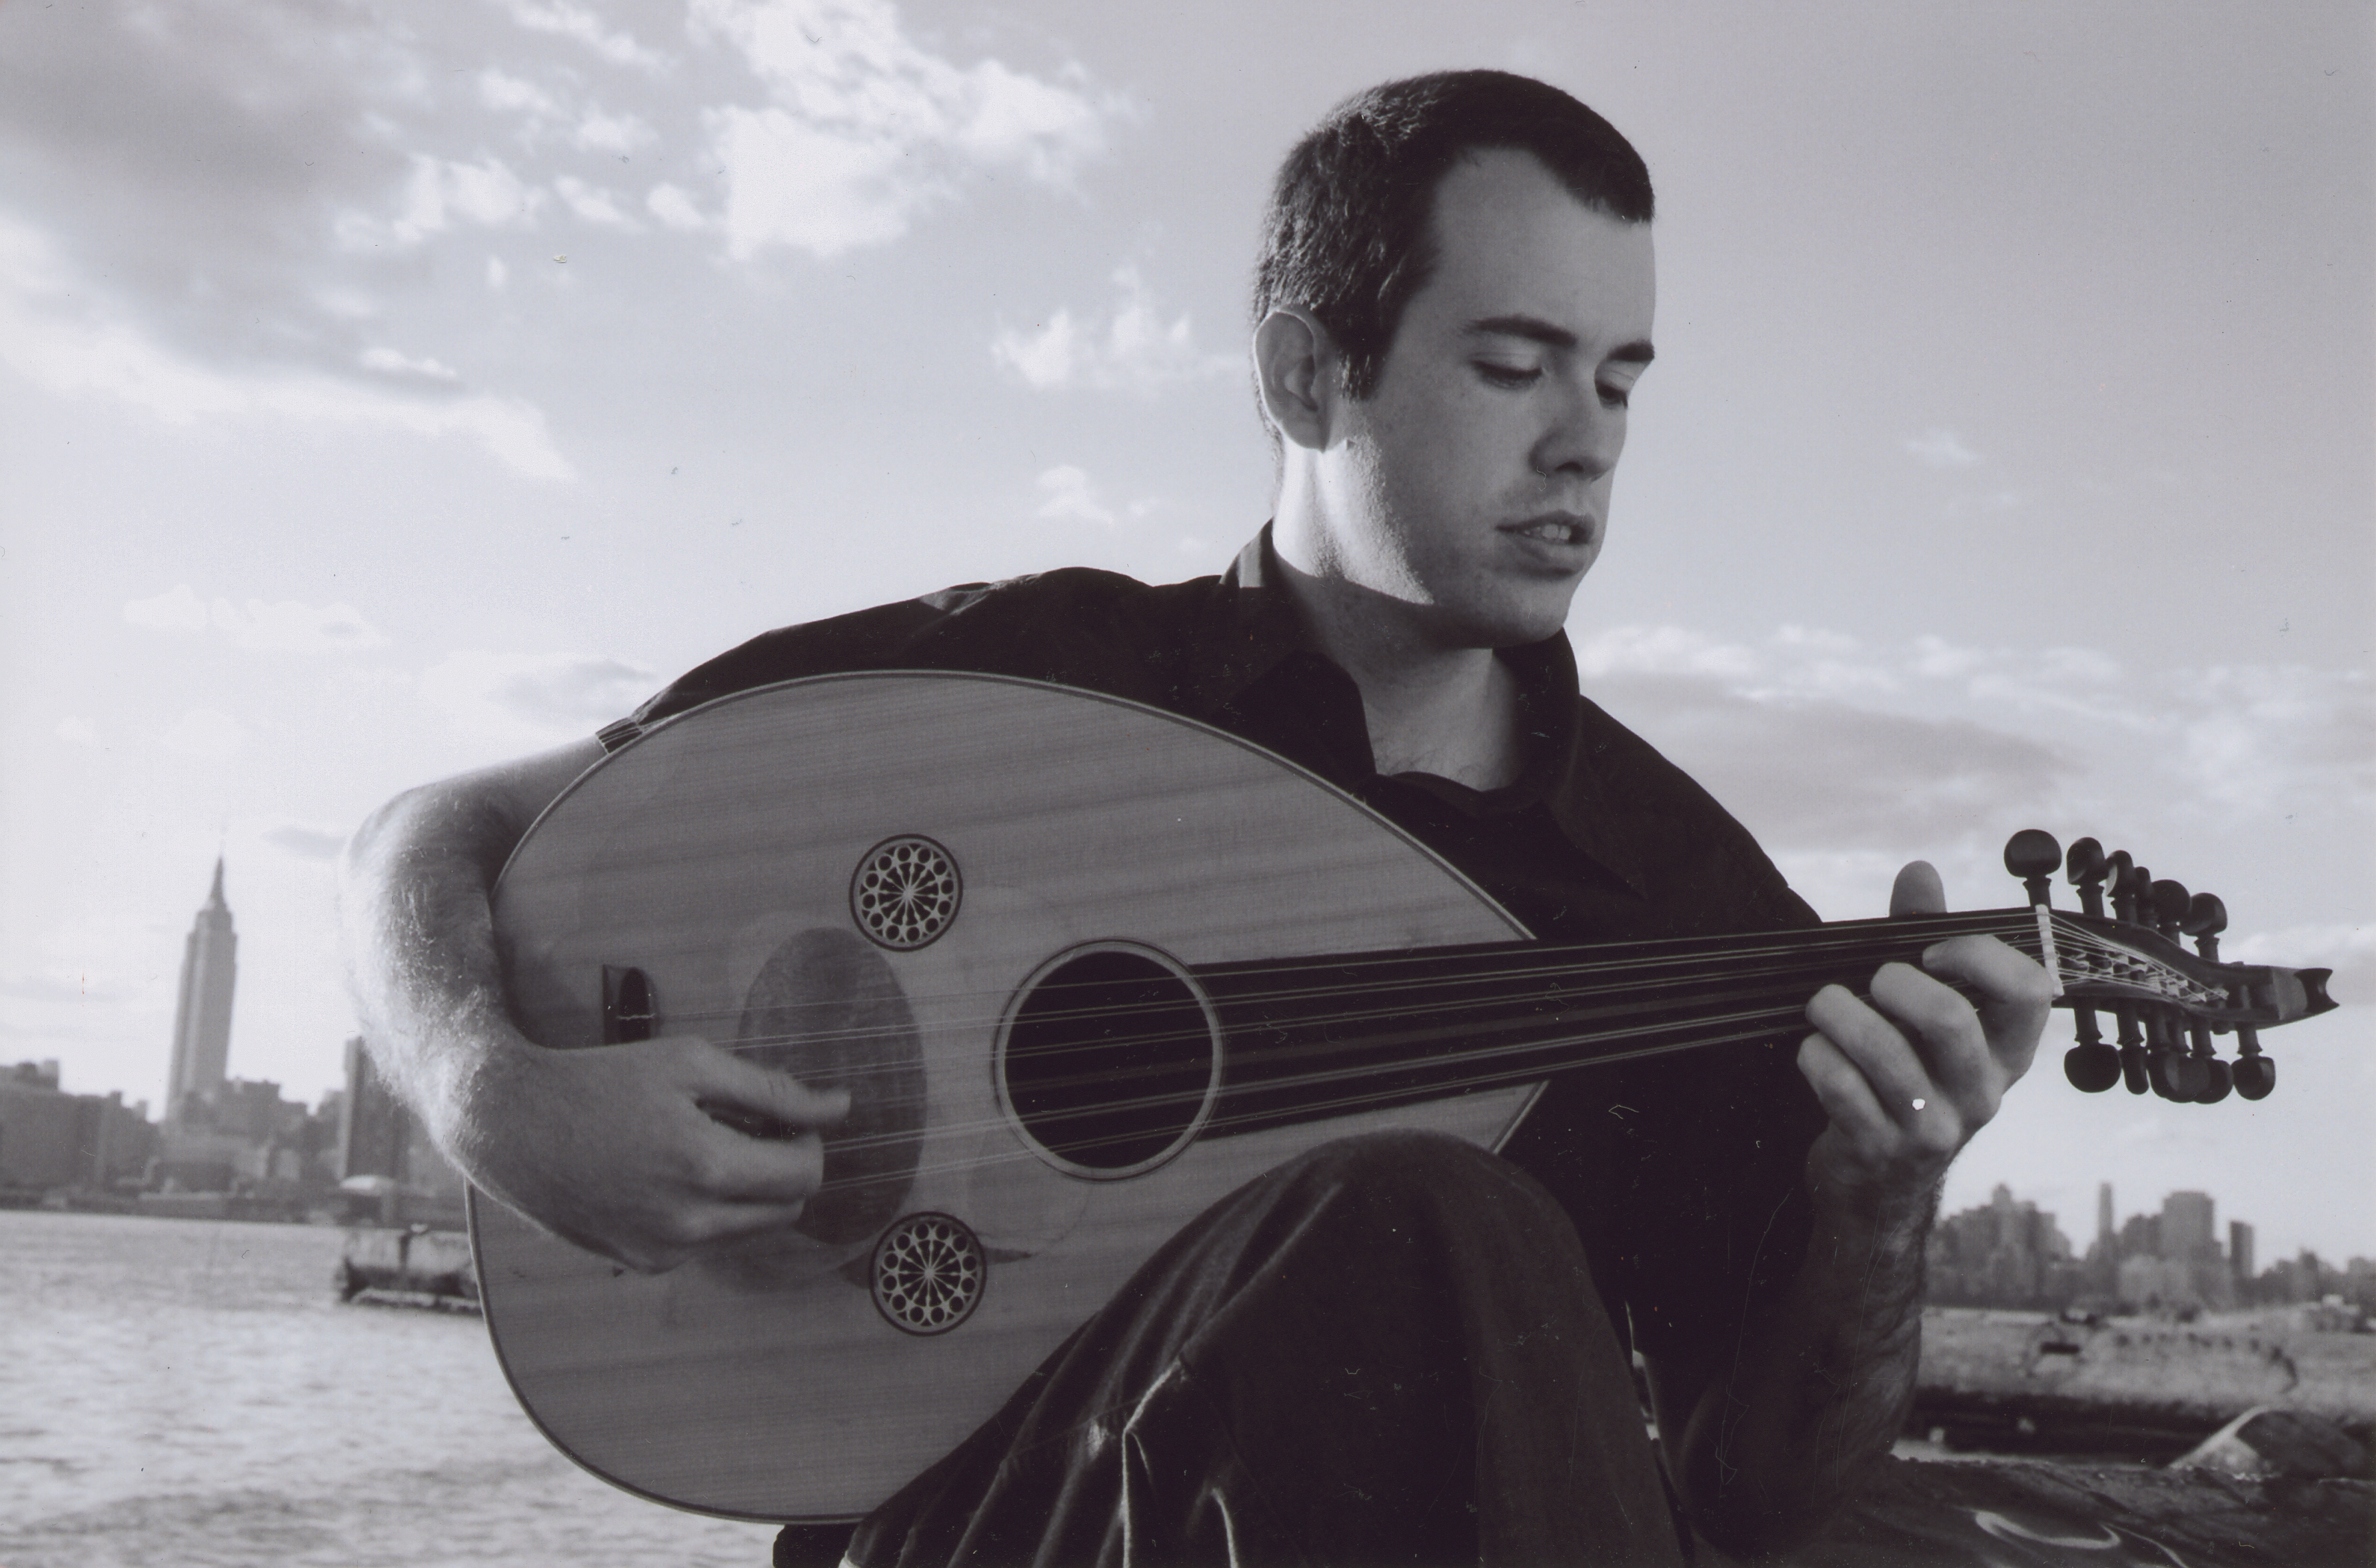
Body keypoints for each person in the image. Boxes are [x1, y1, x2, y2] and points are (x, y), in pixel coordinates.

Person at [342, 71, 2054, 1565]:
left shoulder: (1679, 894)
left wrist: (1879, 1199)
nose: (1582, 448)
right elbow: (439, 831)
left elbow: (1759, 1496)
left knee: (1426, 1231)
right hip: (992, 1528)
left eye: (1618, 381)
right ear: (1309, 377)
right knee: (1412, 1213)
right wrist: (495, 1096)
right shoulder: (1030, 683)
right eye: (1516, 366)